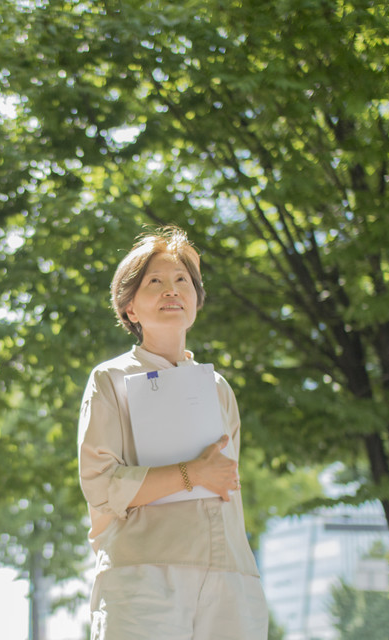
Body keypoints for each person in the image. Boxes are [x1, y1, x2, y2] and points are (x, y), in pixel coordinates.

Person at [78, 226, 269, 639]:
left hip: (229, 577)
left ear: (197, 301)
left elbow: (227, 483)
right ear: (130, 309)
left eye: (183, 281)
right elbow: (102, 487)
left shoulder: (219, 389)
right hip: (145, 575)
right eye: (155, 282)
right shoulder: (109, 379)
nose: (172, 290)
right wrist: (192, 474)